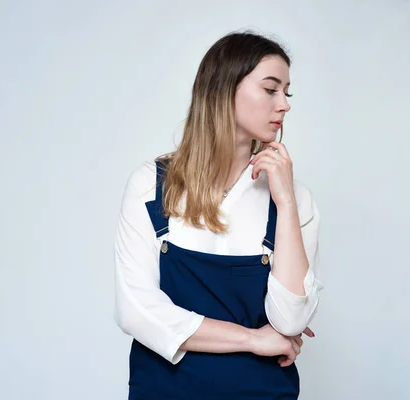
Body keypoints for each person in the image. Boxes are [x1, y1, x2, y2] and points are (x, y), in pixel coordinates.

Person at [113, 30, 323, 399]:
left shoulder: (294, 199)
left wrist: (286, 204)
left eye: (286, 93)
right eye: (271, 89)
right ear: (224, 88)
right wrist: (252, 339)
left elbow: (290, 320)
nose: (284, 104)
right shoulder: (152, 186)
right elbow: (137, 311)